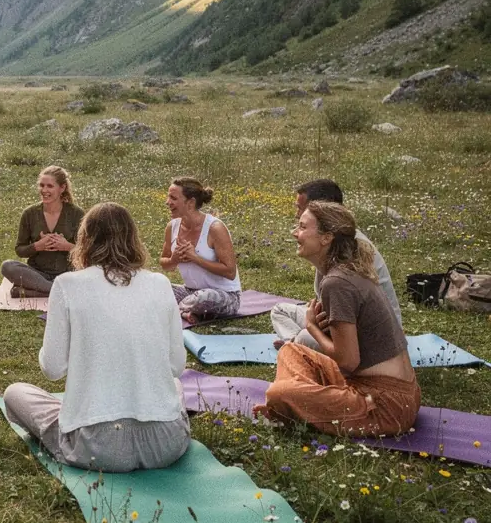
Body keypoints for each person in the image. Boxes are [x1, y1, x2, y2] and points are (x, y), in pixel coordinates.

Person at [3, 203, 190, 473]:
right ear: (132, 238)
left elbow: (53, 369)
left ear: (84, 240)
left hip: (97, 448)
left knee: (15, 392)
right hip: (165, 444)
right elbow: (176, 367)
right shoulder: (160, 284)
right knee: (174, 385)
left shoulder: (67, 285)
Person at [258, 201, 419, 436]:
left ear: (326, 238)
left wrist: (312, 327)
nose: (295, 233)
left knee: (277, 394)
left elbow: (347, 361)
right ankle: (295, 404)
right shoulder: (344, 272)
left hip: (385, 405)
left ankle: (289, 405)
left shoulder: (337, 283)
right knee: (291, 351)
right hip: (397, 393)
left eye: (302, 227)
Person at [271, 179, 402, 349]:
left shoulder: (346, 262)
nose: (297, 218)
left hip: (369, 338)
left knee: (304, 336)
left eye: (302, 210)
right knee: (280, 310)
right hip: (346, 326)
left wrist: (313, 327)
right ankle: (297, 345)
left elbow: (348, 356)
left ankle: (296, 347)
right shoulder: (331, 248)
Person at [159, 177, 241, 323]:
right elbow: (164, 263)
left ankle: (174, 312)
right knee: (157, 286)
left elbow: (230, 271)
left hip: (224, 296)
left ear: (190, 203)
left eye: (173, 198)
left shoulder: (215, 228)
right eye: (168, 197)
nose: (167, 202)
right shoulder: (172, 226)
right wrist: (174, 259)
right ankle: (187, 311)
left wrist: (195, 258)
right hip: (190, 292)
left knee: (204, 297)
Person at [1, 165, 84, 296]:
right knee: (7, 266)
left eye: (50, 186)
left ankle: (38, 292)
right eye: (41, 185)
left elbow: (87, 252)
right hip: (37, 274)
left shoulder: (76, 214)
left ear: (62, 188)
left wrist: (66, 246)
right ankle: (58, 292)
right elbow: (19, 250)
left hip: (68, 274)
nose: (44, 190)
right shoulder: (29, 214)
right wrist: (37, 246)